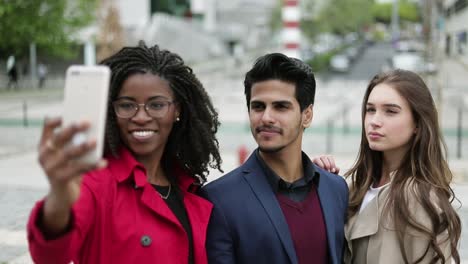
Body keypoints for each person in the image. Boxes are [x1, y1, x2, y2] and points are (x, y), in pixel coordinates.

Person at [27, 43, 223, 264]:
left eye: (156, 105)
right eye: (127, 105)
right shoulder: (94, 182)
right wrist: (59, 198)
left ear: (177, 110)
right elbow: (49, 255)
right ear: (111, 110)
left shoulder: (188, 186)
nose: (140, 116)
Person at [200, 53, 349, 264]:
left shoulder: (336, 189)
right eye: (258, 106)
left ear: (307, 115)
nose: (266, 117)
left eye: (281, 106)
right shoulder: (218, 199)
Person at [313, 69, 461, 263]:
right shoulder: (356, 188)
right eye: (370, 110)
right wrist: (321, 187)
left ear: (417, 123)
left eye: (390, 111)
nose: (374, 121)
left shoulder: (417, 197)